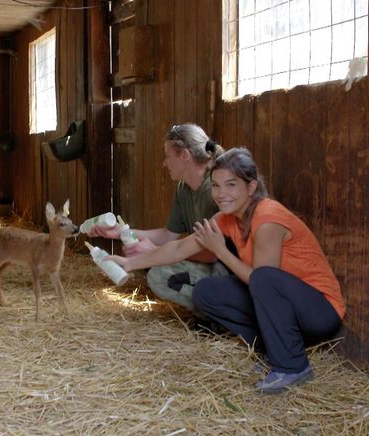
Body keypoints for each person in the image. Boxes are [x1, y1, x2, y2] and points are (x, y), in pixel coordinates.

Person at [106, 148, 345, 394]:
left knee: (262, 278)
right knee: (207, 292)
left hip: (320, 311)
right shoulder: (227, 219)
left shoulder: (268, 218)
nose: (221, 194)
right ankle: (272, 350)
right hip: (286, 310)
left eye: (231, 185)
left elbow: (260, 279)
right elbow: (179, 248)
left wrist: (221, 251)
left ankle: (293, 367)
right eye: (216, 186)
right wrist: (132, 263)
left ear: (251, 187)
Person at [87, 123, 228, 318]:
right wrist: (123, 232)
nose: (164, 163)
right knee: (150, 260)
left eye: (168, 156)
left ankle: (217, 316)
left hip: (227, 270)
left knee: (158, 274)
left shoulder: (214, 189)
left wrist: (154, 252)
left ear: (185, 155)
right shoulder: (183, 188)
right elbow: (168, 235)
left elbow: (214, 254)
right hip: (209, 262)